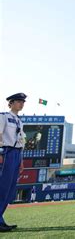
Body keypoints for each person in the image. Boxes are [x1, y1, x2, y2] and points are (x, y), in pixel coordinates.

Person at [0, 92, 27, 232]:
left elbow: (21, 142)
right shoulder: (4, 117)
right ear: (10, 103)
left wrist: (21, 160)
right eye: (18, 101)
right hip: (7, 152)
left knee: (10, 190)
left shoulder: (19, 121)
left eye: (22, 102)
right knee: (2, 188)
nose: (21, 104)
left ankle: (0, 219)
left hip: (16, 154)